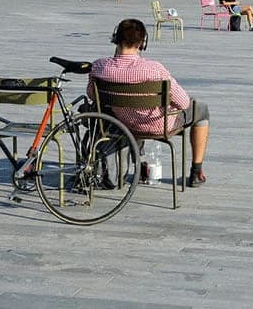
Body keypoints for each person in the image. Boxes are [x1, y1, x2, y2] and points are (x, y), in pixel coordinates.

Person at [89, 18, 210, 188]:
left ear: (115, 39)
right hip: (159, 124)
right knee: (201, 109)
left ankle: (140, 162)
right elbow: (183, 103)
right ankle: (196, 172)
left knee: (129, 111)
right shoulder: (154, 69)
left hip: (123, 123)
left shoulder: (99, 67)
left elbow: (92, 95)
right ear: (142, 43)